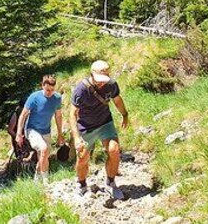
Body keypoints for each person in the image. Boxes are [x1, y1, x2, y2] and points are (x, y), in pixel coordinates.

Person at [70, 60, 129, 200]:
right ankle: (82, 184)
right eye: (99, 80)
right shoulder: (81, 90)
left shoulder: (111, 85)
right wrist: (77, 138)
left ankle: (111, 182)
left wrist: (125, 114)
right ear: (91, 74)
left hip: (104, 123)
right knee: (83, 157)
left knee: (114, 150)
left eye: (104, 80)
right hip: (85, 126)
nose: (102, 83)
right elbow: (72, 114)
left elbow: (117, 100)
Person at [15, 74, 65, 183]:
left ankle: (36, 181)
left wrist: (60, 134)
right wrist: (19, 133)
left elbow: (58, 116)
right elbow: (23, 115)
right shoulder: (34, 97)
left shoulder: (56, 98)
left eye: (52, 90)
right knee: (43, 149)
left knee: (43, 156)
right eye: (47, 90)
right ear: (42, 86)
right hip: (32, 130)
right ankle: (46, 182)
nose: (49, 92)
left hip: (46, 130)